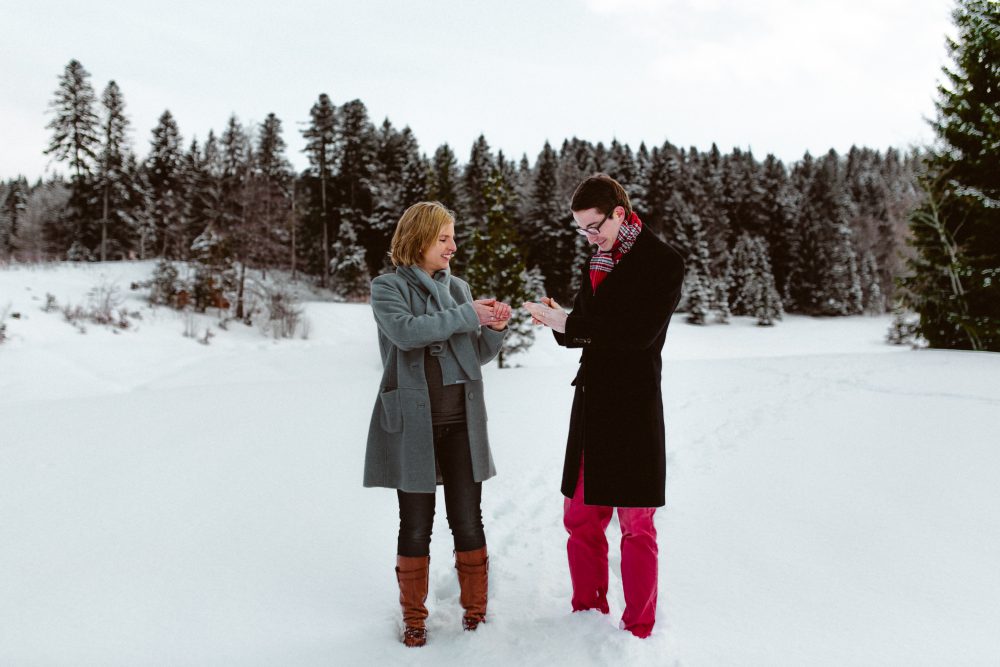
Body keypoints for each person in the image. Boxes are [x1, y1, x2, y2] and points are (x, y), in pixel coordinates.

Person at [523, 174, 684, 638]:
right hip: (592, 402)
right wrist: (557, 320)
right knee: (580, 516)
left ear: (619, 212)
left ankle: (638, 627)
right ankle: (587, 614)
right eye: (581, 230)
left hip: (633, 406)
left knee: (636, 524)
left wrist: (571, 323)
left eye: (595, 226)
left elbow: (638, 336)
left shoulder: (662, 261)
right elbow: (585, 326)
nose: (590, 237)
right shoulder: (598, 257)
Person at [365, 201, 511, 647]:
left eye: (453, 237)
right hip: (413, 425)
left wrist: (496, 328)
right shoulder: (386, 287)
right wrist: (470, 316)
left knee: (468, 520)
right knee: (415, 524)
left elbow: (474, 354)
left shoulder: (460, 287)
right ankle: (414, 618)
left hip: (462, 423)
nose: (453, 246)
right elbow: (407, 332)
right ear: (419, 239)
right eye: (444, 238)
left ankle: (476, 613)